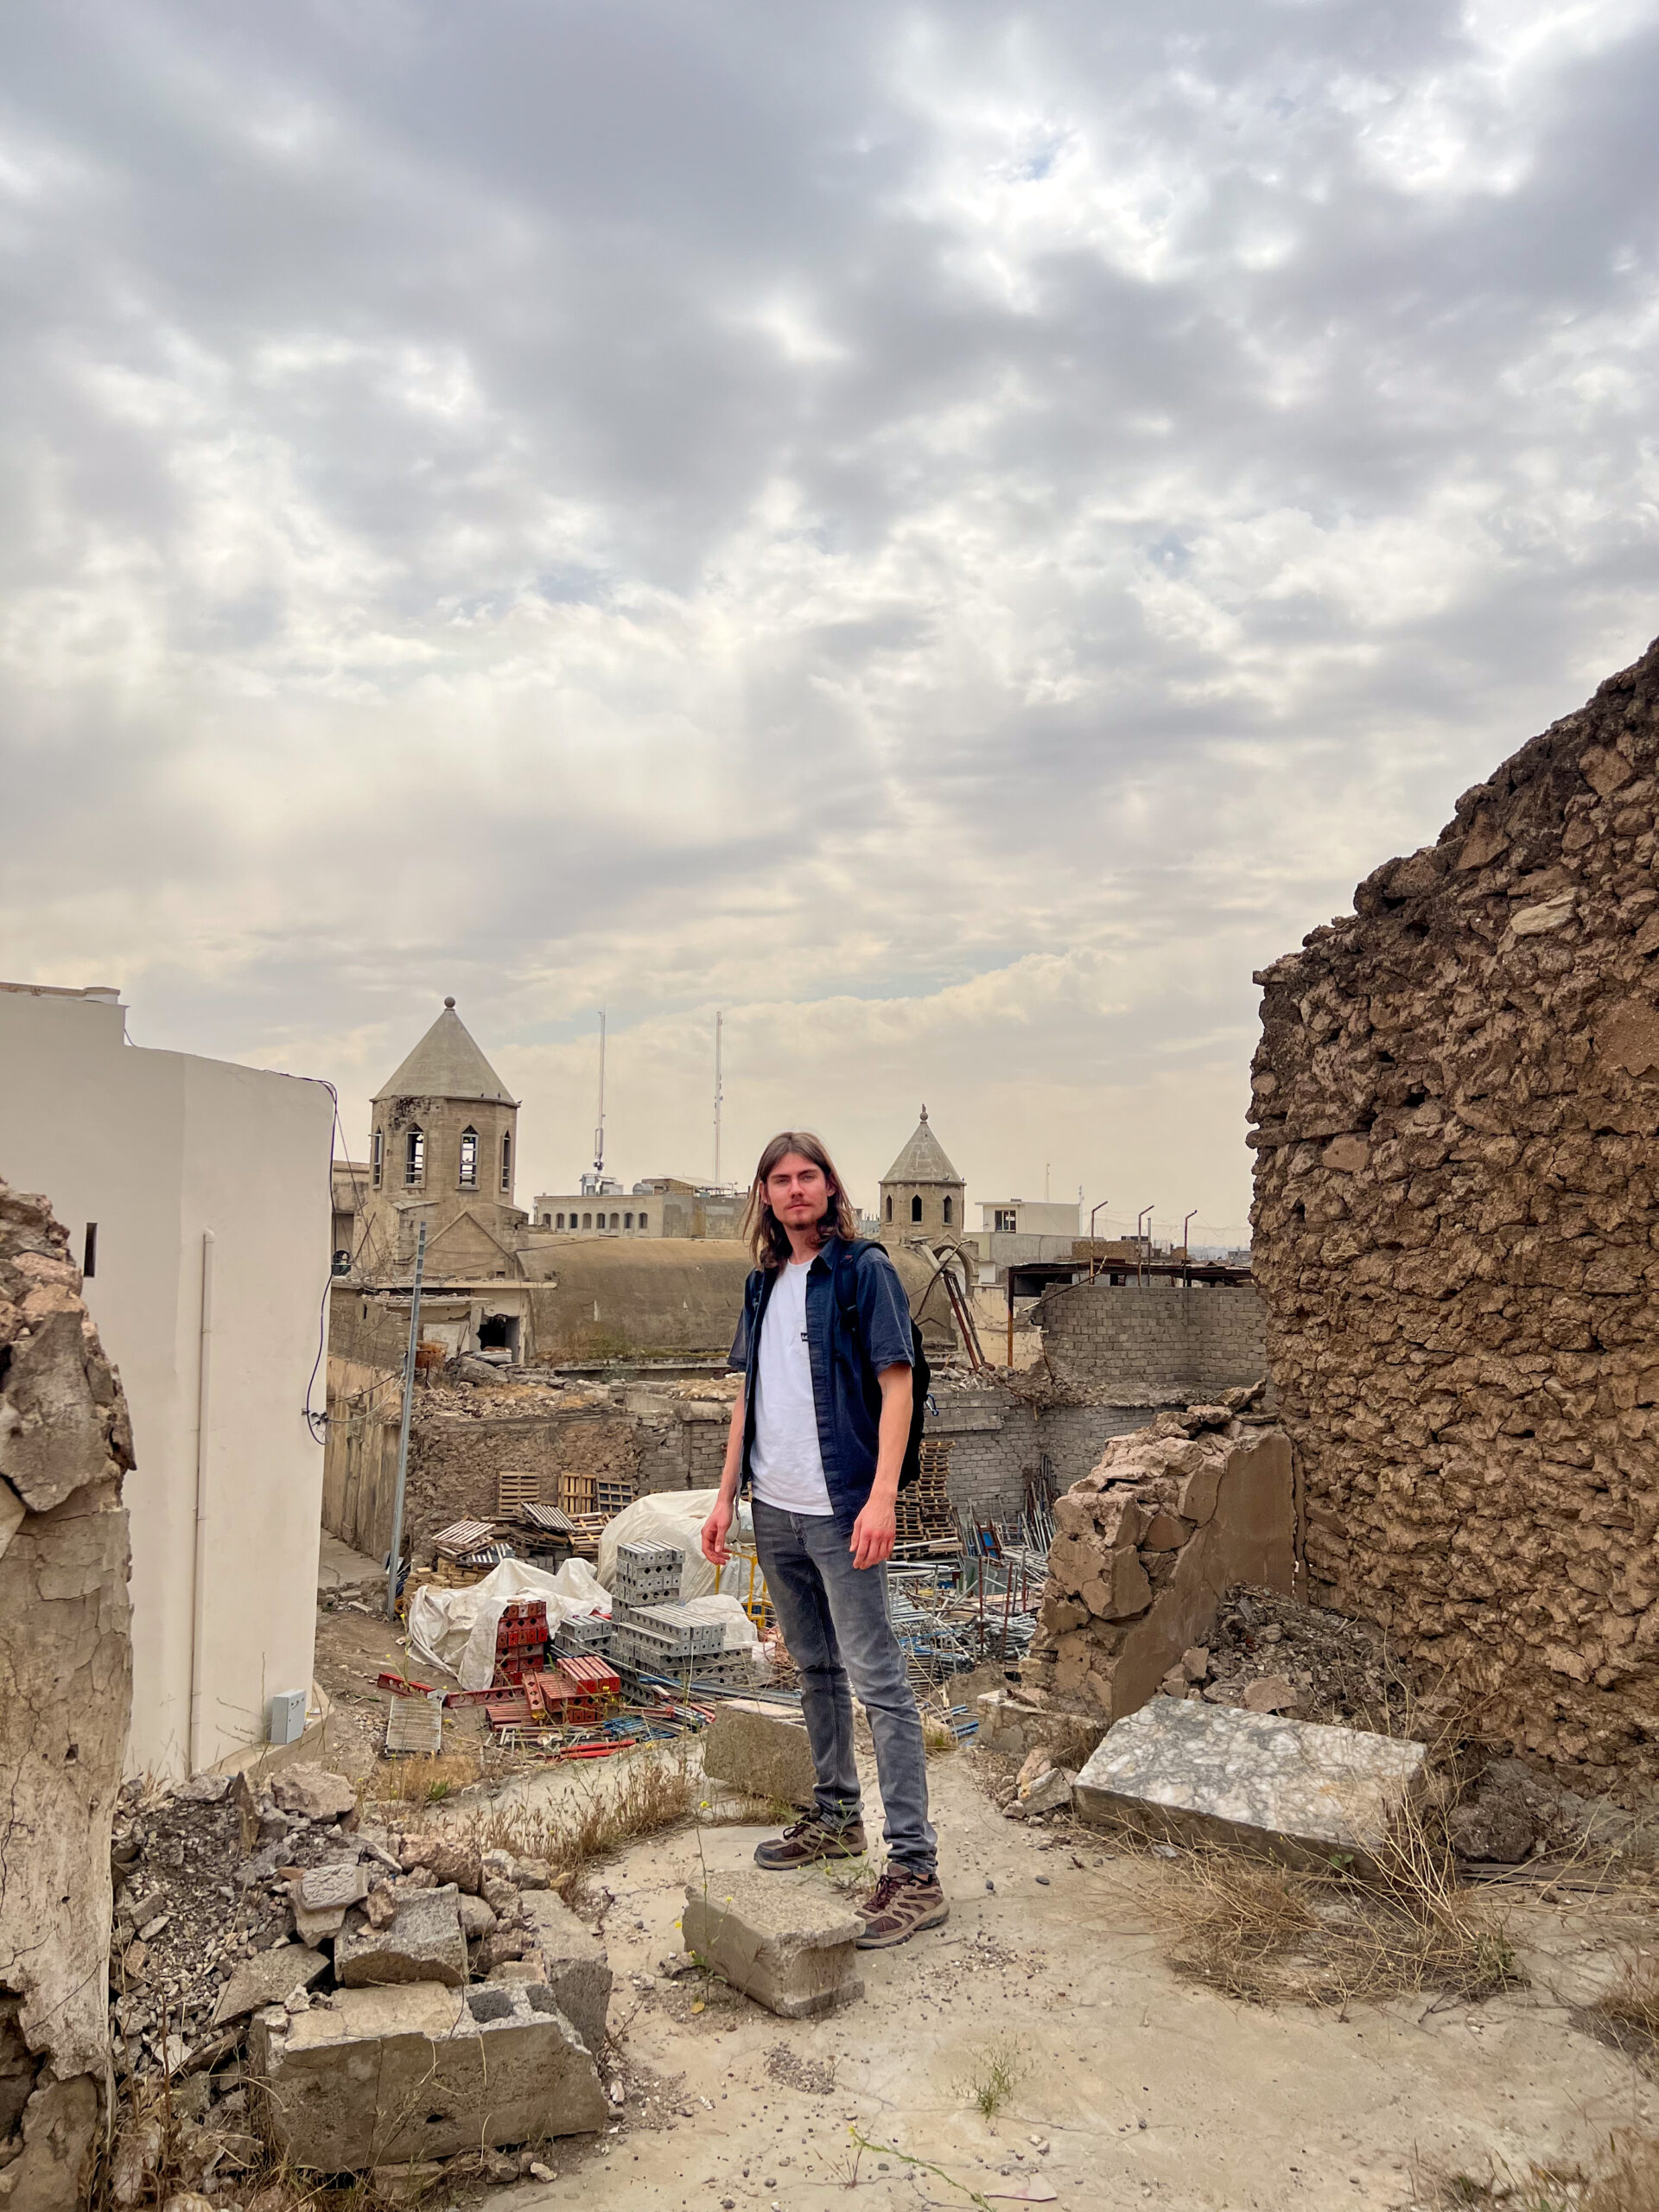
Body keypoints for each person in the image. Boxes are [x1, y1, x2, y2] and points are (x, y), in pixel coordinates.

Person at [700, 1130, 948, 1949]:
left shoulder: (863, 1272)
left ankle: (915, 1871)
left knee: (880, 1684)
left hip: (843, 1508)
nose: (796, 1190)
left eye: (809, 1176)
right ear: (764, 1195)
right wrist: (725, 1494)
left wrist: (881, 1498)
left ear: (831, 1187)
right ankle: (837, 1818)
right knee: (815, 1668)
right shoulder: (763, 1283)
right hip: (774, 1507)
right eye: (781, 1179)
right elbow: (747, 1399)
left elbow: (897, 1383)